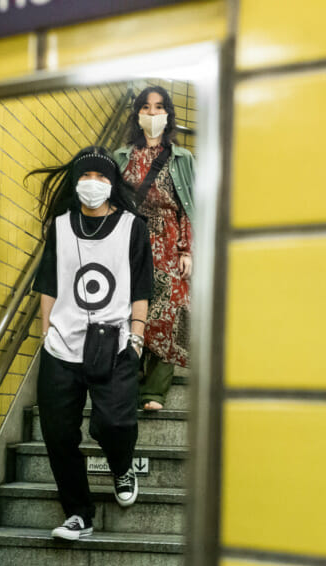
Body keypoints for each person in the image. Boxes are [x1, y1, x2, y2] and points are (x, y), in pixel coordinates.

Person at [27, 146, 154, 540]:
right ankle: (78, 514)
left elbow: (141, 283)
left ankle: (121, 467)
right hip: (62, 346)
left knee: (113, 424)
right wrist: (46, 331)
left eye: (102, 177)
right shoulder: (61, 226)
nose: (93, 184)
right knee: (58, 434)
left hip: (114, 341)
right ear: (75, 182)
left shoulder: (134, 226)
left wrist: (137, 335)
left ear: (113, 184)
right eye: (86, 176)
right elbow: (48, 282)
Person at [114, 85, 195, 412]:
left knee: (167, 315)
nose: (152, 113)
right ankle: (127, 384)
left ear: (167, 114)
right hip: (130, 240)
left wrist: (187, 250)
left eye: (158, 107)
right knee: (127, 311)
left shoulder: (183, 158)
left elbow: (189, 206)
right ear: (137, 114)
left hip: (168, 241)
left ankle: (155, 393)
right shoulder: (122, 156)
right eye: (146, 107)